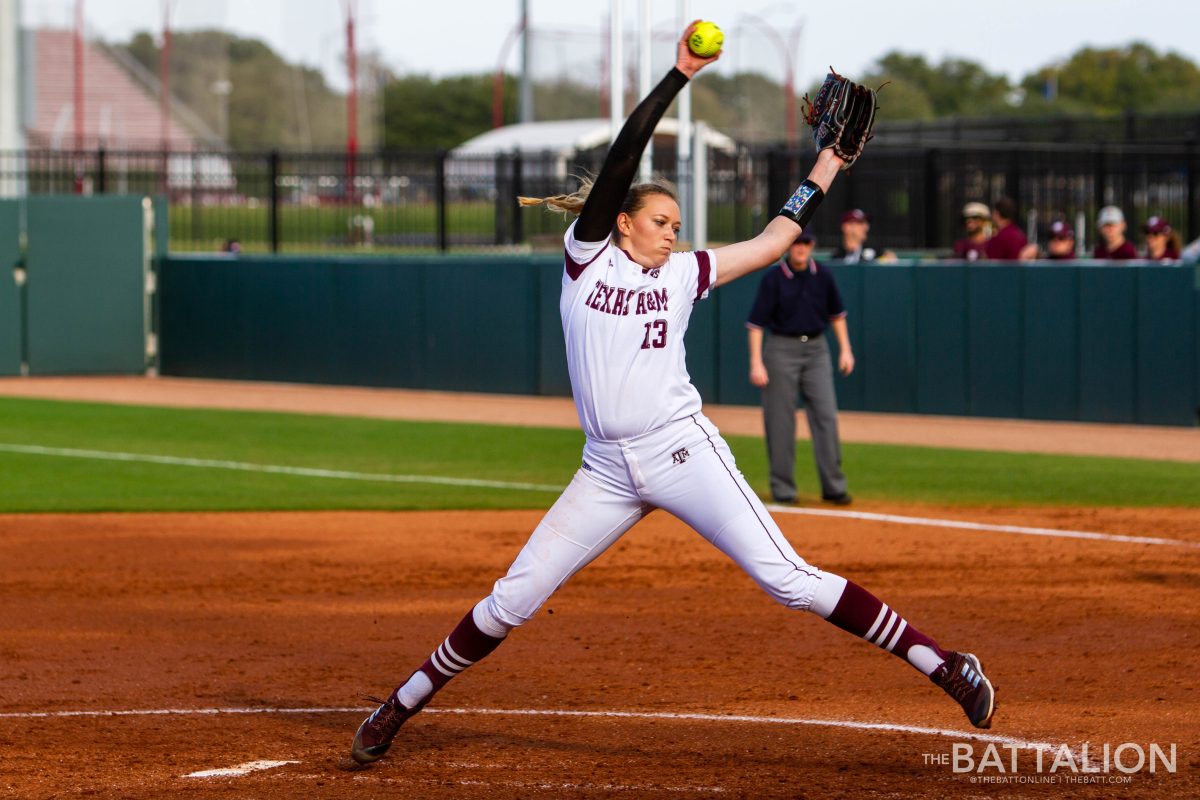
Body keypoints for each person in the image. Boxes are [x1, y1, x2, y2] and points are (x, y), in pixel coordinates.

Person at [349, 24, 996, 767]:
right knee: (513, 599)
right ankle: (396, 708)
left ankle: (945, 664)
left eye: (677, 226)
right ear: (620, 223)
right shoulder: (588, 261)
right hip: (604, 469)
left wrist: (827, 164)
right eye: (659, 222)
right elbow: (625, 153)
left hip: (681, 448)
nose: (670, 234)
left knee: (788, 579)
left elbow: (772, 239)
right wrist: (679, 75)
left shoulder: (683, 273)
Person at [747, 232, 853, 505]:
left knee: (826, 417)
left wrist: (845, 349)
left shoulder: (823, 275)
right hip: (781, 348)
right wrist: (756, 361)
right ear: (788, 246)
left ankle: (834, 487)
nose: (801, 248)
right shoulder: (774, 278)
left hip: (817, 348)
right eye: (796, 242)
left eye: (806, 242)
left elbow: (837, 315)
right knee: (780, 421)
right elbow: (756, 324)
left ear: (812, 246)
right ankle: (783, 489)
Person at [830, 209, 895, 263]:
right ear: (846, 227)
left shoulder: (876, 252)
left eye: (866, 223)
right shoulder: (837, 255)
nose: (866, 227)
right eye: (860, 223)